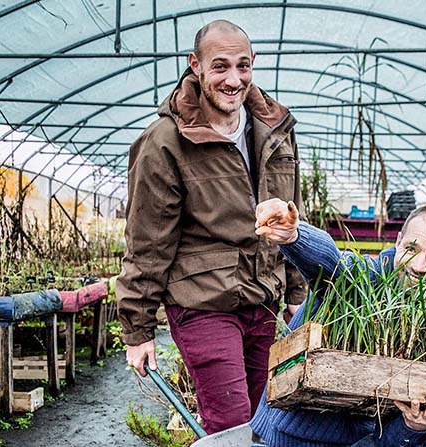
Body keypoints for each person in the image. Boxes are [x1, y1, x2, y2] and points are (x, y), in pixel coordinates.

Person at [115, 20, 308, 434]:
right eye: (219, 66)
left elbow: (293, 219)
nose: (233, 79)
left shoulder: (275, 131)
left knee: (268, 420)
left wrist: (296, 294)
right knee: (233, 424)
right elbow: (147, 240)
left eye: (243, 66)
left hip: (262, 299)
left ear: (254, 64)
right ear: (195, 66)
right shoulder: (166, 140)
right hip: (202, 302)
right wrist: (137, 328)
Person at [249, 198, 426, 447]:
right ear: (398, 240)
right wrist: (294, 235)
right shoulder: (363, 277)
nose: (418, 266)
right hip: (300, 438)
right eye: (411, 249)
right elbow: (332, 262)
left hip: (368, 435)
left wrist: (414, 424)